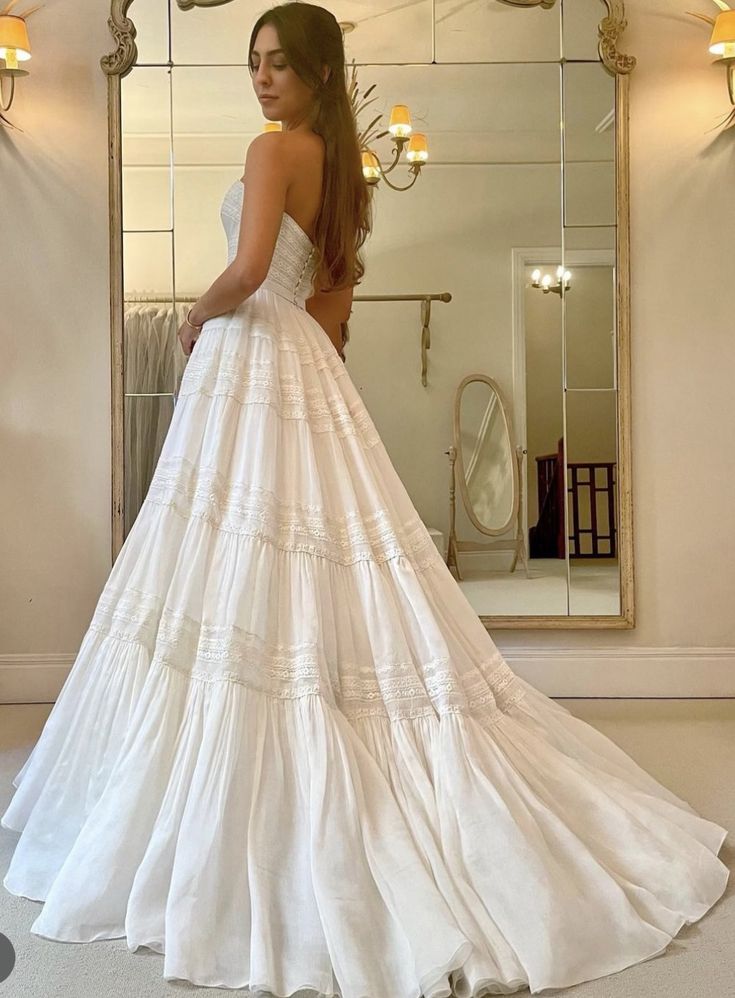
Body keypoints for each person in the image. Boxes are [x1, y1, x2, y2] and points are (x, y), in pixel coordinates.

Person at [2, 3, 729, 996]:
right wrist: (291, 360)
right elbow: (328, 316)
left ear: (316, 74)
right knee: (303, 558)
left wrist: (193, 316)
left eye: (278, 65)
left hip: (251, 353)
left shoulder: (271, 154)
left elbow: (253, 272)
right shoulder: (346, 173)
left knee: (230, 555)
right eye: (252, 63)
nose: (260, 80)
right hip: (304, 363)